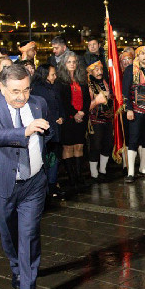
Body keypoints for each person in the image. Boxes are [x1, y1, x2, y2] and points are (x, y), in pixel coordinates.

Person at [0, 64, 51, 289]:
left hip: (34, 183)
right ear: (2, 88)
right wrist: (24, 131)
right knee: (9, 233)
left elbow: (47, 135)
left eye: (26, 90)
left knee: (29, 234)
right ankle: (17, 267)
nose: (22, 97)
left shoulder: (38, 103)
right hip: (2, 182)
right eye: (16, 91)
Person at [122, 45, 145, 183]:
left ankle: (143, 168)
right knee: (133, 140)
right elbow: (125, 91)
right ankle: (131, 172)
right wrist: (129, 109)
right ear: (137, 55)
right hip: (136, 111)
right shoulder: (130, 70)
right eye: (142, 53)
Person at [57, 51, 90, 188]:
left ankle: (79, 176)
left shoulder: (81, 78)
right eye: (69, 62)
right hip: (68, 119)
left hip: (81, 118)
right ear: (64, 64)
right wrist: (75, 114)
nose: (72, 64)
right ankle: (71, 178)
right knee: (68, 147)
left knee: (79, 146)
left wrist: (82, 112)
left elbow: (87, 98)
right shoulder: (60, 81)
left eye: (74, 61)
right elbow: (63, 101)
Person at [31, 64, 65, 197]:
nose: (55, 77)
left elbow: (60, 104)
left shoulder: (55, 87)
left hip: (56, 129)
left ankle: (52, 185)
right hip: (45, 131)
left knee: (55, 158)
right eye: (52, 74)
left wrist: (62, 117)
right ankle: (44, 188)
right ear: (45, 75)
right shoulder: (37, 90)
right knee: (46, 159)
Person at [87, 60, 114, 181]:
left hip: (108, 118)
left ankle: (103, 170)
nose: (99, 72)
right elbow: (87, 105)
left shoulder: (105, 82)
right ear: (91, 72)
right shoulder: (88, 84)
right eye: (96, 70)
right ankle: (94, 173)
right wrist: (97, 100)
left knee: (107, 144)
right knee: (95, 146)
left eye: (100, 69)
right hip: (95, 119)